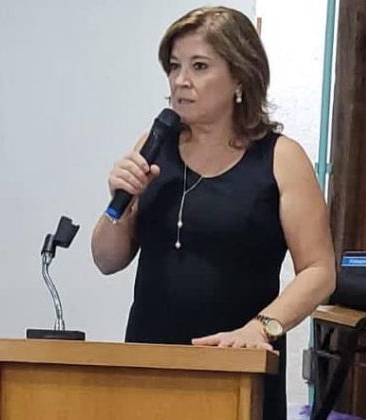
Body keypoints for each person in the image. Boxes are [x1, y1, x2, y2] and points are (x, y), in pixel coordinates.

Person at [91, 6, 335, 419]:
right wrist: (122, 201)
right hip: (149, 364)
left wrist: (262, 328)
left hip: (236, 369)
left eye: (199, 66)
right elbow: (106, 259)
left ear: (240, 76)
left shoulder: (280, 158)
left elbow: (319, 271)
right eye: (174, 66)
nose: (180, 80)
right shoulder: (154, 144)